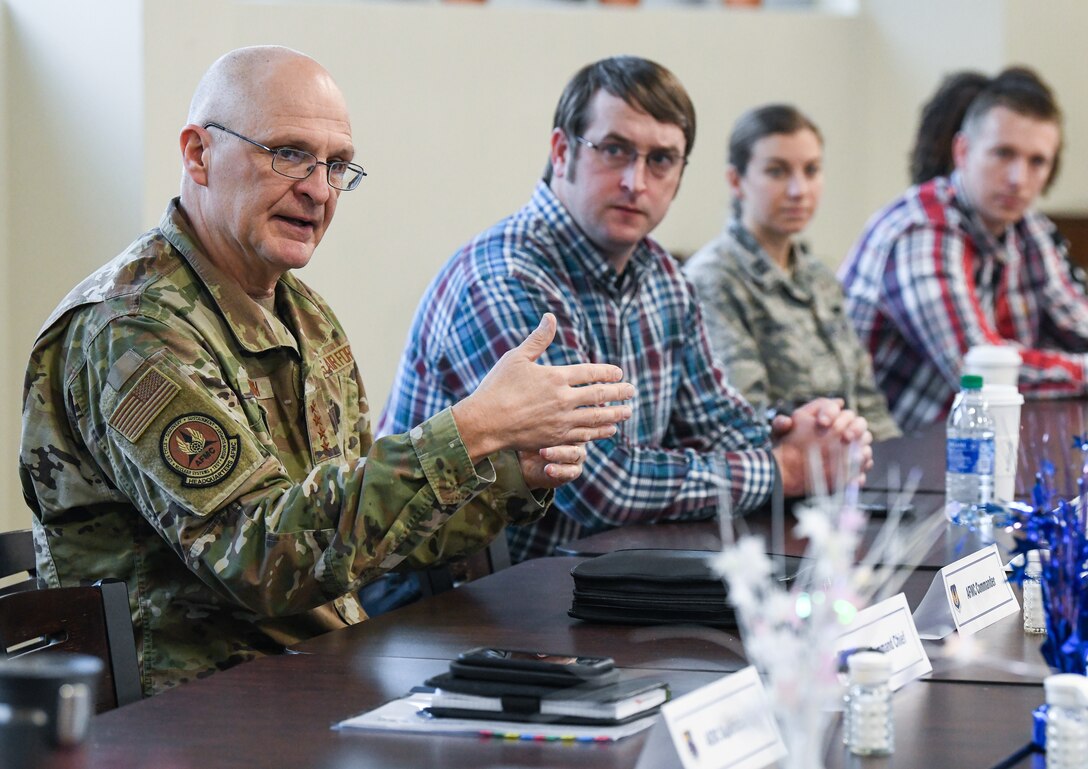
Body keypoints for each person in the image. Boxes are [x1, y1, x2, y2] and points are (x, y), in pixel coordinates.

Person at [18, 46, 636, 696]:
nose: (317, 188)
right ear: (198, 155)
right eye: (288, 153)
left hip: (319, 675)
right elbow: (256, 560)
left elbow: (349, 539)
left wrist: (506, 472)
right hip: (191, 712)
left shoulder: (305, 314)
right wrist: (470, 429)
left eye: (336, 165)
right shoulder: (131, 326)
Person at [379, 56, 872, 571]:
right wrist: (783, 469)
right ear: (562, 150)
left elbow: (718, 423)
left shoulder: (661, 275)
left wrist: (793, 436)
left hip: (598, 581)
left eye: (661, 160)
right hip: (453, 609)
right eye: (615, 150)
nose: (637, 182)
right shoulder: (507, 278)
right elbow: (598, 485)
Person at [840, 66, 1088, 431]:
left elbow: (1075, 319)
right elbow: (979, 370)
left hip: (961, 444)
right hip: (885, 458)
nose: (1020, 179)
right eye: (1003, 154)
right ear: (962, 150)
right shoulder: (920, 230)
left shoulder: (1028, 227)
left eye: (1037, 162)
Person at [683, 104, 899, 441]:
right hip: (782, 477)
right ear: (736, 181)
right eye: (777, 171)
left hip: (855, 471)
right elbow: (745, 415)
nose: (799, 190)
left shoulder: (819, 277)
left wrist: (893, 466)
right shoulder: (713, 279)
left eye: (811, 170)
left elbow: (865, 398)